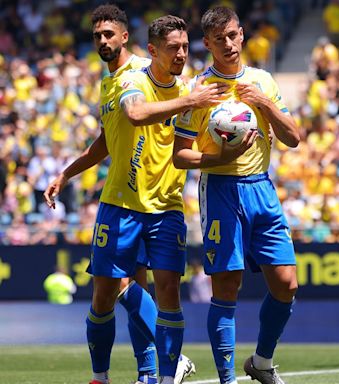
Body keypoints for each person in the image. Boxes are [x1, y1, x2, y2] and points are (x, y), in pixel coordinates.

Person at [43, 6, 221, 384]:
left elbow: (143, 111)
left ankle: (157, 370)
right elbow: (106, 143)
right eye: (97, 36)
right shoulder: (109, 84)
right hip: (121, 202)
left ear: (125, 37)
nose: (103, 41)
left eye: (109, 34)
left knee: (161, 288)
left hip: (163, 204)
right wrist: (66, 173)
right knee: (107, 294)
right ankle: (119, 373)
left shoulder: (142, 72)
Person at [173, 6, 300, 384]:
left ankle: (261, 362)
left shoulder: (263, 80)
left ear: (242, 34)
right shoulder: (199, 90)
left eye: (233, 35)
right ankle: (227, 379)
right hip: (221, 188)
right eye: (219, 39)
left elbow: (293, 137)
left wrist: (263, 103)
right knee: (226, 286)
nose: (228, 44)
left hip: (261, 187)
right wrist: (217, 155)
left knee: (286, 283)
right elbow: (180, 155)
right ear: (207, 43)